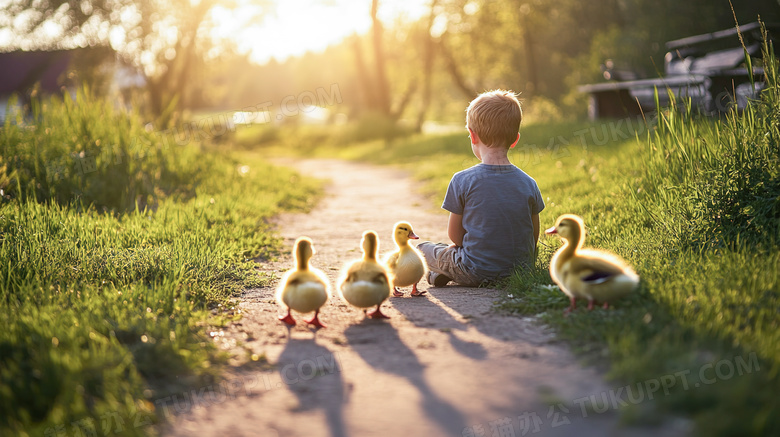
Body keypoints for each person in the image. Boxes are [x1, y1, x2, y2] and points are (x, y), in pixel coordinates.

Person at [417, 90, 544, 287]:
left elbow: (455, 236)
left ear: (472, 136)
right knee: (452, 252)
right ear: (515, 139)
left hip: (475, 270)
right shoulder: (529, 183)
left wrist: (462, 250)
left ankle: (447, 272)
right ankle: (447, 272)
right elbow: (533, 235)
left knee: (423, 249)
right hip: (520, 270)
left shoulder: (462, 180)